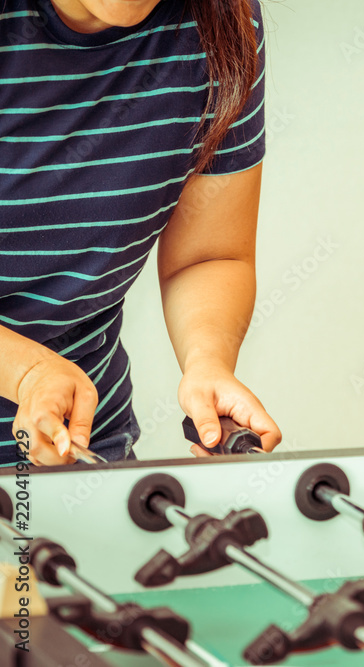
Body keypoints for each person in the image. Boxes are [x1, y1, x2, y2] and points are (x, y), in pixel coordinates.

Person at [0, 0, 281, 466]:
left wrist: (205, 360)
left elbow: (208, 256)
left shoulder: (222, 24)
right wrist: (25, 371)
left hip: (86, 449)